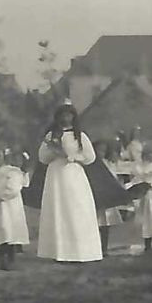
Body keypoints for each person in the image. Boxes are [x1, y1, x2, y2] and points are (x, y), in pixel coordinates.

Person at [34, 102, 103, 263]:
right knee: (58, 209)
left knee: (76, 209)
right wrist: (54, 150)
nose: (66, 118)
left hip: (73, 174)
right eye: (63, 115)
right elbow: (42, 158)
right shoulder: (51, 136)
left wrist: (73, 157)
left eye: (69, 115)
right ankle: (58, 251)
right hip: (56, 176)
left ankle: (80, 250)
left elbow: (90, 158)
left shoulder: (80, 136)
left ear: (73, 117)